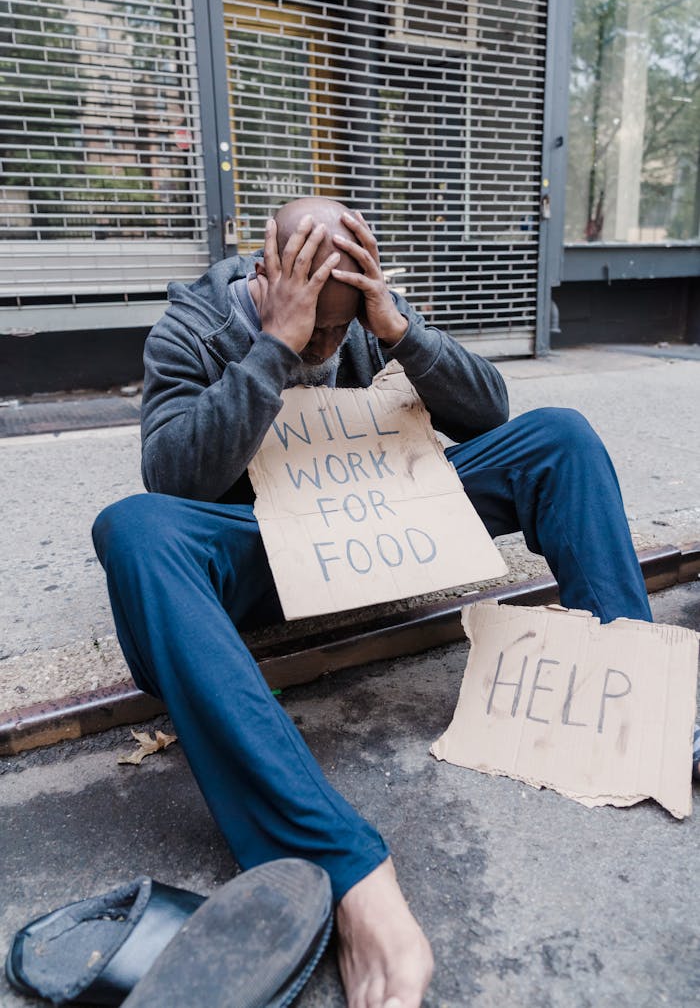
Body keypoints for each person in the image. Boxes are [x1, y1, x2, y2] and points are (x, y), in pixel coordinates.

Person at [93, 196, 654, 1008]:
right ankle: (338, 863)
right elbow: (171, 477)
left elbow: (489, 412)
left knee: (559, 435)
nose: (328, 345)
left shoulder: (360, 309)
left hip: (374, 525)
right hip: (263, 552)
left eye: (339, 325)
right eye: (313, 326)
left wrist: (398, 328)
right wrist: (273, 350)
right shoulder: (191, 327)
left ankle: (636, 690)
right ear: (265, 274)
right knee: (136, 532)